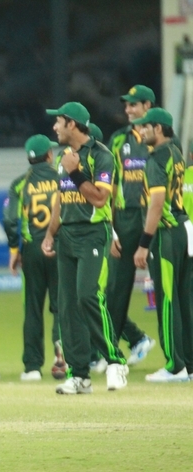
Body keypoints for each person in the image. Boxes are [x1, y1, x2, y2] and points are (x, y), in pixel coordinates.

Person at [42, 102, 127, 394]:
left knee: (88, 296)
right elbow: (60, 199)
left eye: (58, 122)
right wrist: (50, 233)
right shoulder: (63, 159)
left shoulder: (101, 156)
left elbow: (101, 199)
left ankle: (115, 360)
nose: (54, 127)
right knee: (67, 306)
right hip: (67, 235)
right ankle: (80, 375)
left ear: (73, 124)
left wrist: (76, 172)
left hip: (93, 233)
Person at [131, 108, 192, 382]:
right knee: (183, 299)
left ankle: (174, 366)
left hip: (166, 234)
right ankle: (188, 364)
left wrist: (144, 243)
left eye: (145, 127)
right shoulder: (177, 154)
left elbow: (157, 203)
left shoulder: (157, 158)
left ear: (158, 129)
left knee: (167, 299)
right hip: (182, 231)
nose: (140, 131)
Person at [103, 85, 158, 370]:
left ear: (147, 105)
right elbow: (111, 186)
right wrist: (111, 230)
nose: (128, 110)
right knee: (114, 290)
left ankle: (180, 356)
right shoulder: (117, 140)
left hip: (155, 217)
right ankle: (111, 352)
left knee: (167, 288)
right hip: (124, 218)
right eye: (126, 105)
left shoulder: (160, 137)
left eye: (134, 105)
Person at [4, 135, 65, 381]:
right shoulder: (62, 178)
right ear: (49, 155)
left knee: (32, 308)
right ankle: (61, 357)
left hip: (32, 250)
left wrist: (13, 250)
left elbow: (10, 220)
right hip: (60, 247)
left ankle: (32, 367)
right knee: (62, 306)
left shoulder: (21, 183)